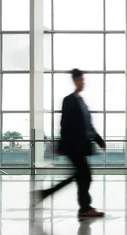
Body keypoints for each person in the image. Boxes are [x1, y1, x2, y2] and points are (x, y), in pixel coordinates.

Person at [32, 69, 106, 218]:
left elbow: (88, 125)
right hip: (74, 146)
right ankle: (84, 208)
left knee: (81, 176)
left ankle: (46, 194)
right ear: (75, 81)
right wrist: (62, 145)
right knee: (84, 175)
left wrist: (99, 140)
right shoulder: (70, 100)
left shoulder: (80, 101)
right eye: (80, 80)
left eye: (83, 80)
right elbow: (65, 123)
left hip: (80, 146)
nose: (82, 83)